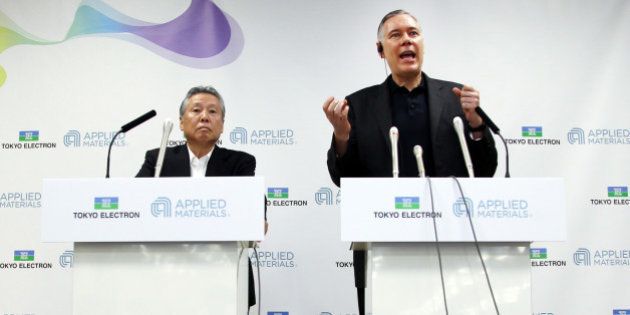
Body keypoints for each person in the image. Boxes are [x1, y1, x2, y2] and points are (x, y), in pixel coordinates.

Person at [322, 10, 498, 315]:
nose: (407, 40)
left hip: (452, 239)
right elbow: (343, 178)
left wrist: (476, 125)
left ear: (423, 44)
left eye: (413, 33)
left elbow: (485, 170)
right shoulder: (359, 105)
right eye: (395, 35)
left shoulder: (457, 97)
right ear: (381, 50)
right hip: (383, 245)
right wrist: (341, 136)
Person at [137, 85, 265, 310]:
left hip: (224, 275)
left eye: (213, 112)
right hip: (166, 274)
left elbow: (253, 206)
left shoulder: (241, 163)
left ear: (222, 125)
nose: (205, 117)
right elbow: (133, 202)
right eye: (196, 110)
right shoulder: (158, 160)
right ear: (181, 121)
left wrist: (258, 219)